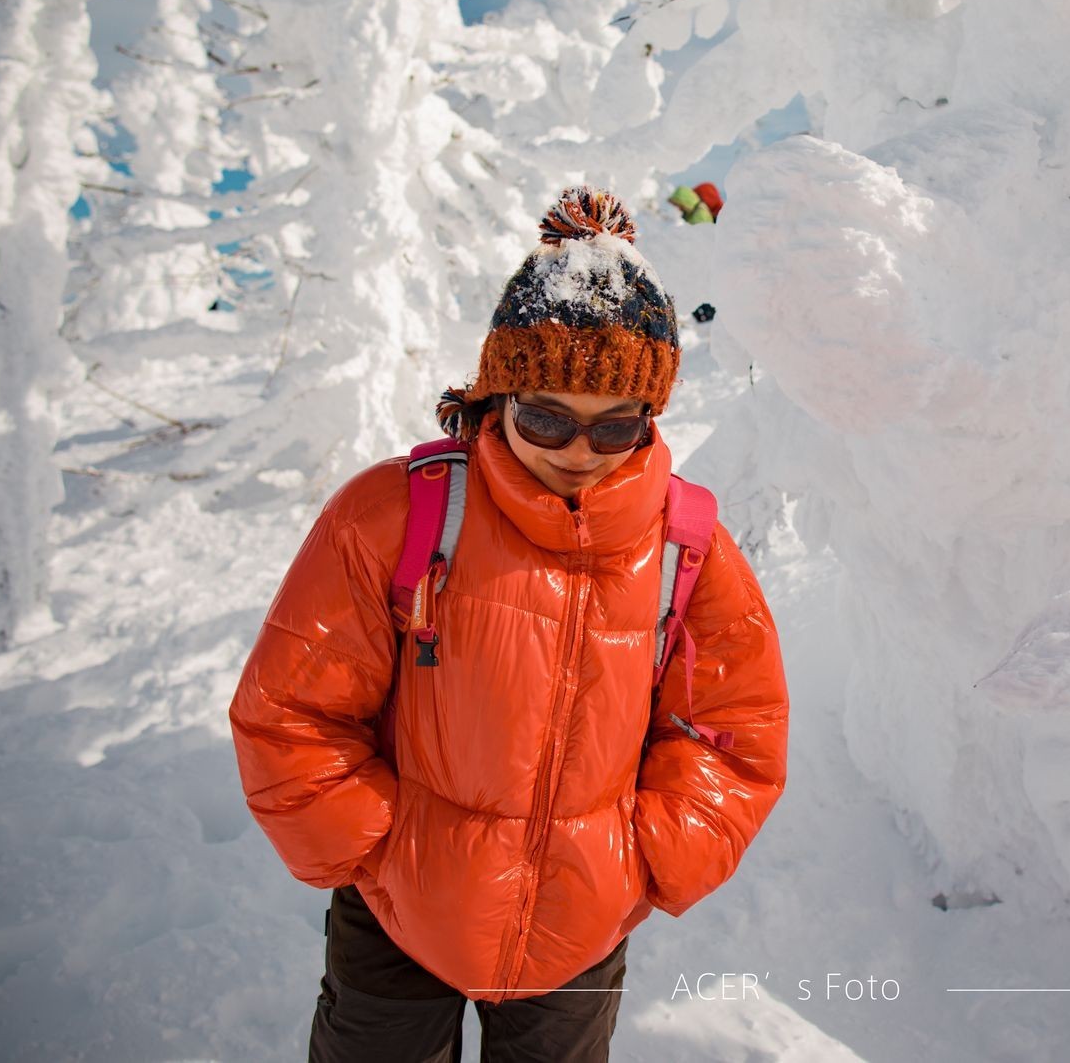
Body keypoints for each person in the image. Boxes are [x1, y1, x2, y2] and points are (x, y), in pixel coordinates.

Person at [227, 184, 790, 1063]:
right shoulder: (398, 514)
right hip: (398, 915)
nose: (578, 450)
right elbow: (290, 709)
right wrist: (378, 846)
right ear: (499, 394)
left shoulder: (689, 546)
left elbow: (731, 733)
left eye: (615, 428)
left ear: (651, 419)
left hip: (579, 930)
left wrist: (639, 858)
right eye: (546, 417)